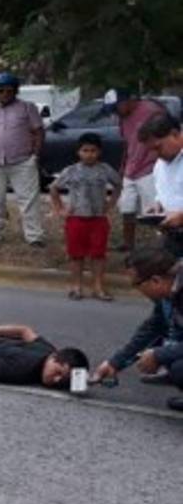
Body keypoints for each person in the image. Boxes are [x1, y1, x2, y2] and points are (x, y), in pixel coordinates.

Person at [92, 248, 183, 409]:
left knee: (178, 367)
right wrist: (115, 363)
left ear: (155, 280)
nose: (137, 290)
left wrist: (158, 354)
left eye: (137, 284)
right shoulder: (168, 296)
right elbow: (151, 329)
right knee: (169, 354)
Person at [0, 71, 45, 247]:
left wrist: (35, 155)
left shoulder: (27, 108)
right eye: (1, 91)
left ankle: (34, 236)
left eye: (9, 90)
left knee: (29, 200)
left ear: (15, 91)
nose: (5, 94)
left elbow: (39, 132)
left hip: (22, 161)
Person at [50, 132, 122, 300]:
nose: (89, 154)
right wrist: (60, 209)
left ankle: (98, 286)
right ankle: (76, 286)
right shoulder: (71, 171)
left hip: (98, 219)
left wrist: (110, 204)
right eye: (85, 150)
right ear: (78, 152)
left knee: (98, 254)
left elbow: (118, 185)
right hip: (76, 218)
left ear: (99, 152)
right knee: (76, 255)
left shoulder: (105, 170)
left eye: (93, 151)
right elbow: (54, 188)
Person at [105, 88, 167, 251]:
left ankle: (163, 244)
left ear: (126, 101)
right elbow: (127, 144)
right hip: (131, 169)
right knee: (127, 208)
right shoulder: (123, 119)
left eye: (116, 108)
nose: (115, 113)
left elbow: (165, 135)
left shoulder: (151, 111)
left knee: (156, 211)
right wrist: (122, 166)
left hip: (149, 169)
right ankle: (128, 243)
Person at [138, 111, 183, 257]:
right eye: (151, 150)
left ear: (175, 134)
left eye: (158, 147)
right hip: (172, 236)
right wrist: (158, 205)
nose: (155, 154)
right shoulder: (160, 164)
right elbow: (164, 191)